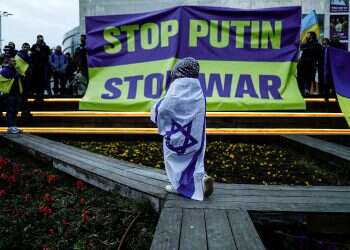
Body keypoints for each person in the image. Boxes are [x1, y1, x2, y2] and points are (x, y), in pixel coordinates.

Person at [150, 57, 214, 201]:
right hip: (195, 136)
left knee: (175, 160)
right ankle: (202, 180)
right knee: (194, 161)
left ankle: (178, 186)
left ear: (178, 71)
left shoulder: (178, 85)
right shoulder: (198, 89)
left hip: (177, 135)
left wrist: (154, 110)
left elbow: (164, 108)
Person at [0, 57, 23, 134]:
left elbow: (21, 77)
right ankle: (10, 127)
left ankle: (14, 126)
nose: (14, 62)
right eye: (13, 61)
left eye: (15, 61)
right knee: (10, 110)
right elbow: (2, 81)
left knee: (15, 110)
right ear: (9, 62)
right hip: (9, 93)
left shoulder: (16, 70)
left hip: (16, 93)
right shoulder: (5, 70)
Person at [297, 32, 322, 96]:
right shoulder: (305, 44)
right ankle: (301, 91)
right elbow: (301, 48)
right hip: (302, 64)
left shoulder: (317, 45)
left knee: (309, 78)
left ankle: (307, 90)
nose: (306, 36)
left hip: (310, 64)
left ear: (312, 36)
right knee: (300, 78)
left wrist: (316, 64)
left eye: (308, 35)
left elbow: (318, 55)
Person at [31, 35, 51, 99]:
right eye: (38, 38)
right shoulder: (34, 46)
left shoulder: (46, 47)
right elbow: (32, 54)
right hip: (36, 66)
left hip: (44, 66)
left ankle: (45, 92)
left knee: (44, 80)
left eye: (41, 38)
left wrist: (40, 51)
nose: (40, 39)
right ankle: (36, 93)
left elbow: (47, 54)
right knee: (36, 80)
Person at [15, 43, 32, 116]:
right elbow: (16, 66)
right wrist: (22, 74)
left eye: (27, 47)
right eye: (24, 47)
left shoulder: (28, 56)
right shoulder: (18, 55)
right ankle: (22, 110)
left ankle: (25, 110)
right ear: (22, 47)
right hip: (20, 77)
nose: (26, 48)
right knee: (21, 95)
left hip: (26, 77)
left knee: (25, 95)